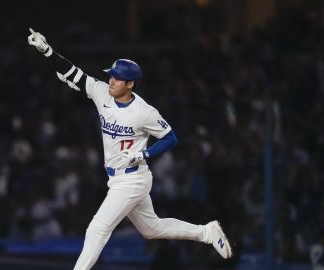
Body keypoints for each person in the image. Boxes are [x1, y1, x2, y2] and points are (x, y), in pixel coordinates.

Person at [27, 28, 233, 269]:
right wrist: (46, 49)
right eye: (111, 76)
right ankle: (206, 232)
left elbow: (171, 138)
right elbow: (72, 72)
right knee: (152, 229)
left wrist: (144, 153)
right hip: (117, 178)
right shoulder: (101, 92)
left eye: (116, 78)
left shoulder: (144, 112)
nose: (111, 81)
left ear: (130, 84)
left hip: (133, 179)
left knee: (97, 228)